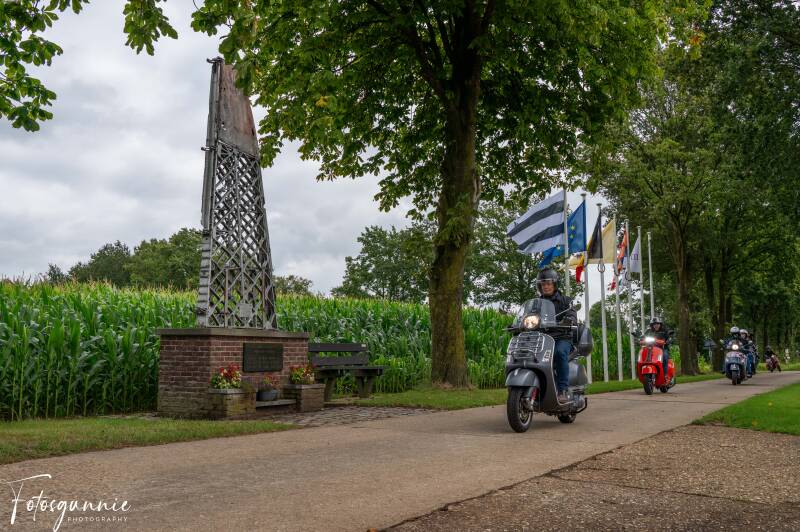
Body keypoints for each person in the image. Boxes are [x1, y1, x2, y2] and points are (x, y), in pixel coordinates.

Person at [535, 268, 576, 403]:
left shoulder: (566, 301)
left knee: (559, 353)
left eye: (548, 283)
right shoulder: (537, 304)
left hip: (561, 337)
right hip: (542, 339)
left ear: (554, 284)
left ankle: (562, 390)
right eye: (543, 284)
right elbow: (529, 316)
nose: (545, 286)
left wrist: (569, 320)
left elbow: (572, 314)